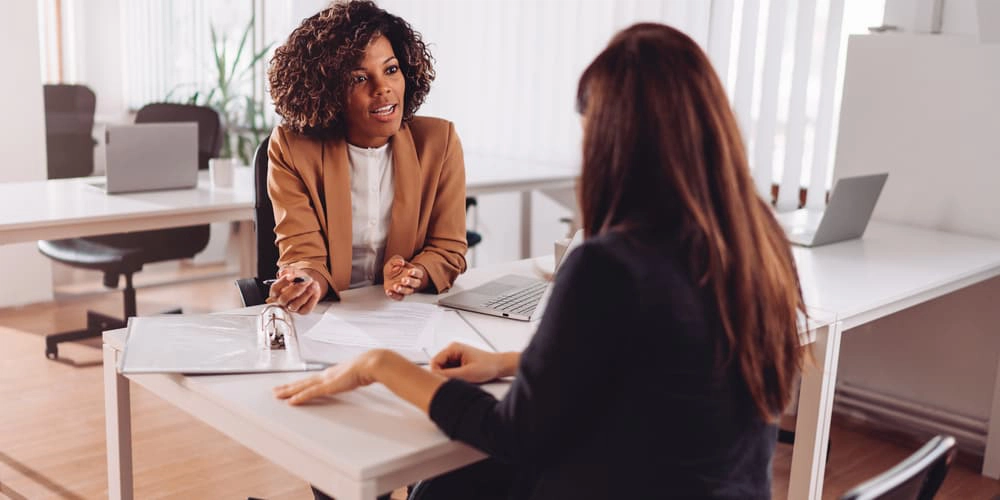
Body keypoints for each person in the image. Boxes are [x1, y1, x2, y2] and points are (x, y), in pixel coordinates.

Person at [274, 22, 806, 499]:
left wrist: (380, 365)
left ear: (613, 140)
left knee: (448, 486)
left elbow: (513, 433)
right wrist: (510, 364)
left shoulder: (609, 265)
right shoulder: (757, 241)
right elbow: (656, 364)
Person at [264, 0, 468, 315]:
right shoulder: (292, 149)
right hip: (329, 315)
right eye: (360, 78)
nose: (383, 88)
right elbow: (303, 254)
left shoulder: (438, 143)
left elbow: (448, 249)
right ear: (328, 91)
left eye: (391, 69)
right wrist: (307, 283)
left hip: (406, 314)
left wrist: (415, 274)